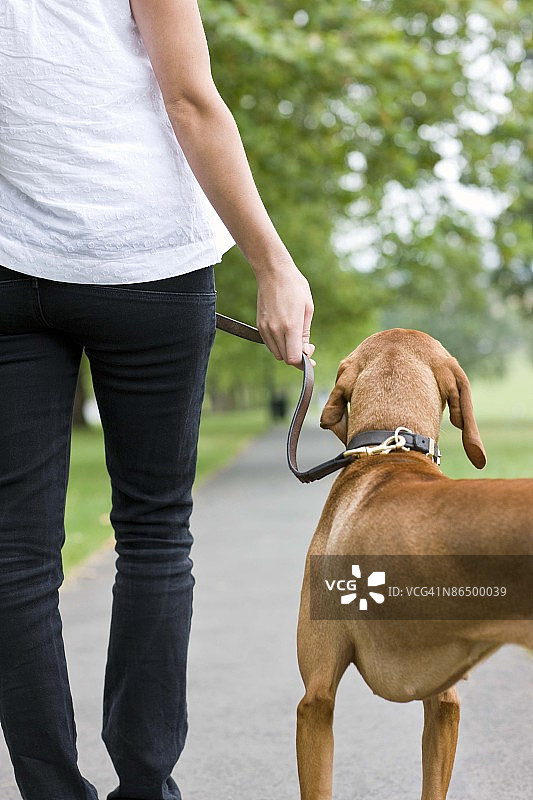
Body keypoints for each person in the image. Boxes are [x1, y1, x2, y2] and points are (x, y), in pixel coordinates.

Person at [0, 1, 315, 798]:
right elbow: (190, 98)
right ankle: (145, 788)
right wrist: (273, 263)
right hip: (149, 267)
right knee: (153, 533)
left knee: (13, 552)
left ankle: (49, 790)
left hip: (10, 269)